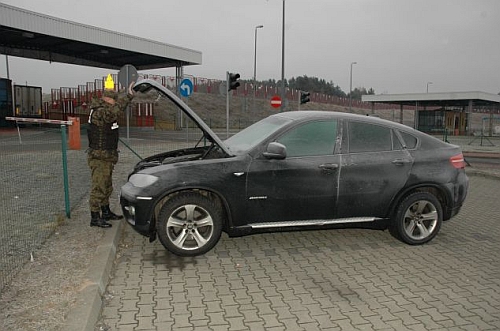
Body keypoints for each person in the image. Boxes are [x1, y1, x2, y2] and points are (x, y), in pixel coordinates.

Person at [87, 75, 134, 228]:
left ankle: (105, 211)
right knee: (98, 187)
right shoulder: (100, 112)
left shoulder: (103, 110)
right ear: (108, 100)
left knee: (106, 186)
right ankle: (95, 217)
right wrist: (128, 96)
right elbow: (114, 113)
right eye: (113, 101)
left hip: (106, 156)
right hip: (99, 157)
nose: (114, 104)